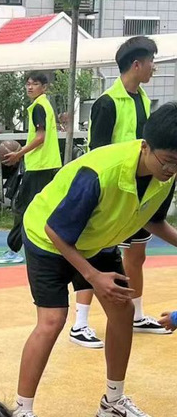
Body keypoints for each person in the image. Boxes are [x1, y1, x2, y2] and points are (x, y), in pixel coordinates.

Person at [13, 103, 177, 417]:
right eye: (168, 161)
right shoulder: (100, 173)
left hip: (97, 238)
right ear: (146, 146)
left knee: (122, 311)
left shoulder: (165, 174)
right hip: (48, 238)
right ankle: (21, 413)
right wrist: (92, 276)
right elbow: (55, 229)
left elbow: (153, 219)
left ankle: (112, 402)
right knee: (52, 320)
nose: (171, 170)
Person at [70, 36, 166, 348]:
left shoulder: (143, 99)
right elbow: (97, 152)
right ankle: (79, 323)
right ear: (136, 64)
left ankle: (136, 315)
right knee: (95, 249)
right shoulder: (107, 102)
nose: (153, 67)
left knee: (137, 253)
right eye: (151, 61)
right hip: (111, 191)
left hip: (139, 190)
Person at [0, 73, 62, 265]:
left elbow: (40, 137)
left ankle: (13, 250)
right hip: (47, 164)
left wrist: (19, 153)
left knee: (23, 208)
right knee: (45, 208)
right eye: (28, 84)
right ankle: (53, 247)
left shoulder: (39, 107)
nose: (30, 87)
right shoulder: (45, 105)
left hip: (39, 166)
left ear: (44, 87)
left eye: (35, 84)